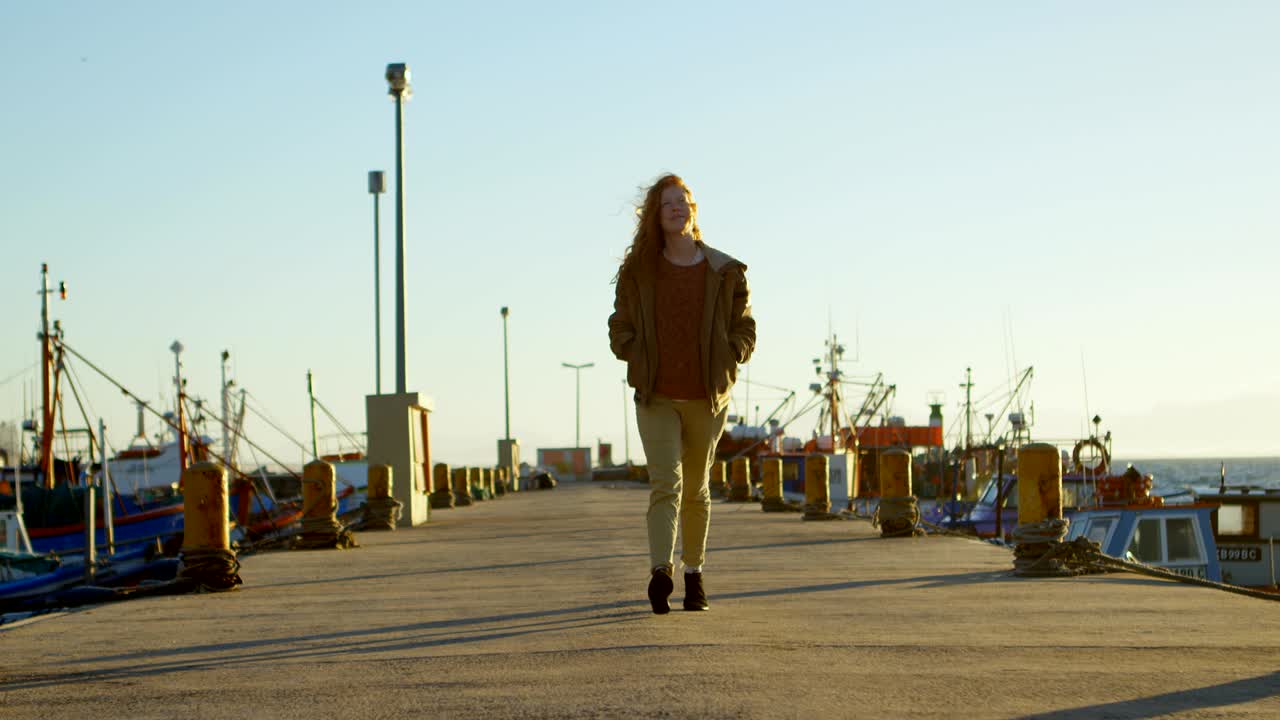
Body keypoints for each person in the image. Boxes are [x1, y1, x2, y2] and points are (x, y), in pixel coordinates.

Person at [608, 173, 756, 614]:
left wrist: (733, 354)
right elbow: (621, 326)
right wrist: (633, 355)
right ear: (656, 214)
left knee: (696, 489)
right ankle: (660, 572)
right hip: (656, 395)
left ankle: (694, 575)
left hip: (707, 395)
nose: (679, 208)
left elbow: (744, 326)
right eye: (669, 202)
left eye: (685, 201)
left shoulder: (724, 271)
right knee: (665, 485)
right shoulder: (639, 272)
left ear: (694, 210)